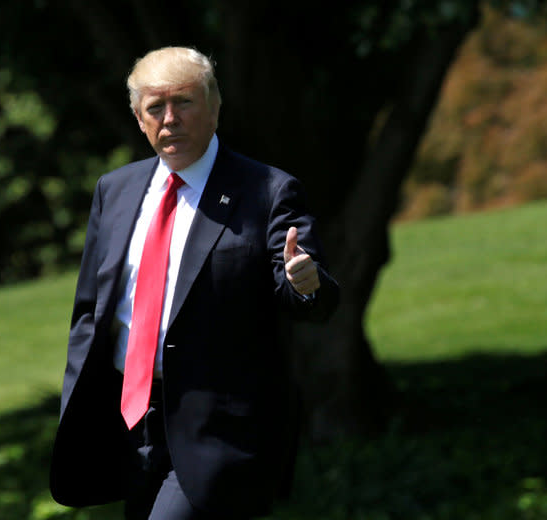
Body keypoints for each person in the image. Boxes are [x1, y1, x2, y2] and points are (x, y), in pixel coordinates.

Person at [49, 46, 339, 520]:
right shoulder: (115, 190)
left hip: (219, 429)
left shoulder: (267, 190)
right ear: (138, 119)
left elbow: (313, 299)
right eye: (154, 108)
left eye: (183, 102)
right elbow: (91, 311)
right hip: (130, 421)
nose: (170, 119)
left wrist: (304, 281)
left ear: (214, 105)